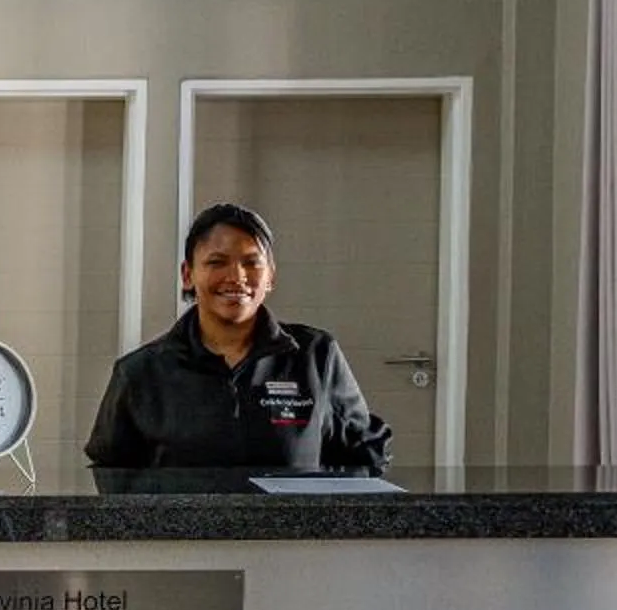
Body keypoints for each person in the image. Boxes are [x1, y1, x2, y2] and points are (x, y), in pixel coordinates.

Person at [84, 202, 393, 472]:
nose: (237, 277)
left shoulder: (316, 356)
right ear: (188, 275)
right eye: (217, 262)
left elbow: (364, 456)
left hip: (291, 539)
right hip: (183, 540)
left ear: (270, 275)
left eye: (251, 262)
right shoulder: (140, 372)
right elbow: (112, 479)